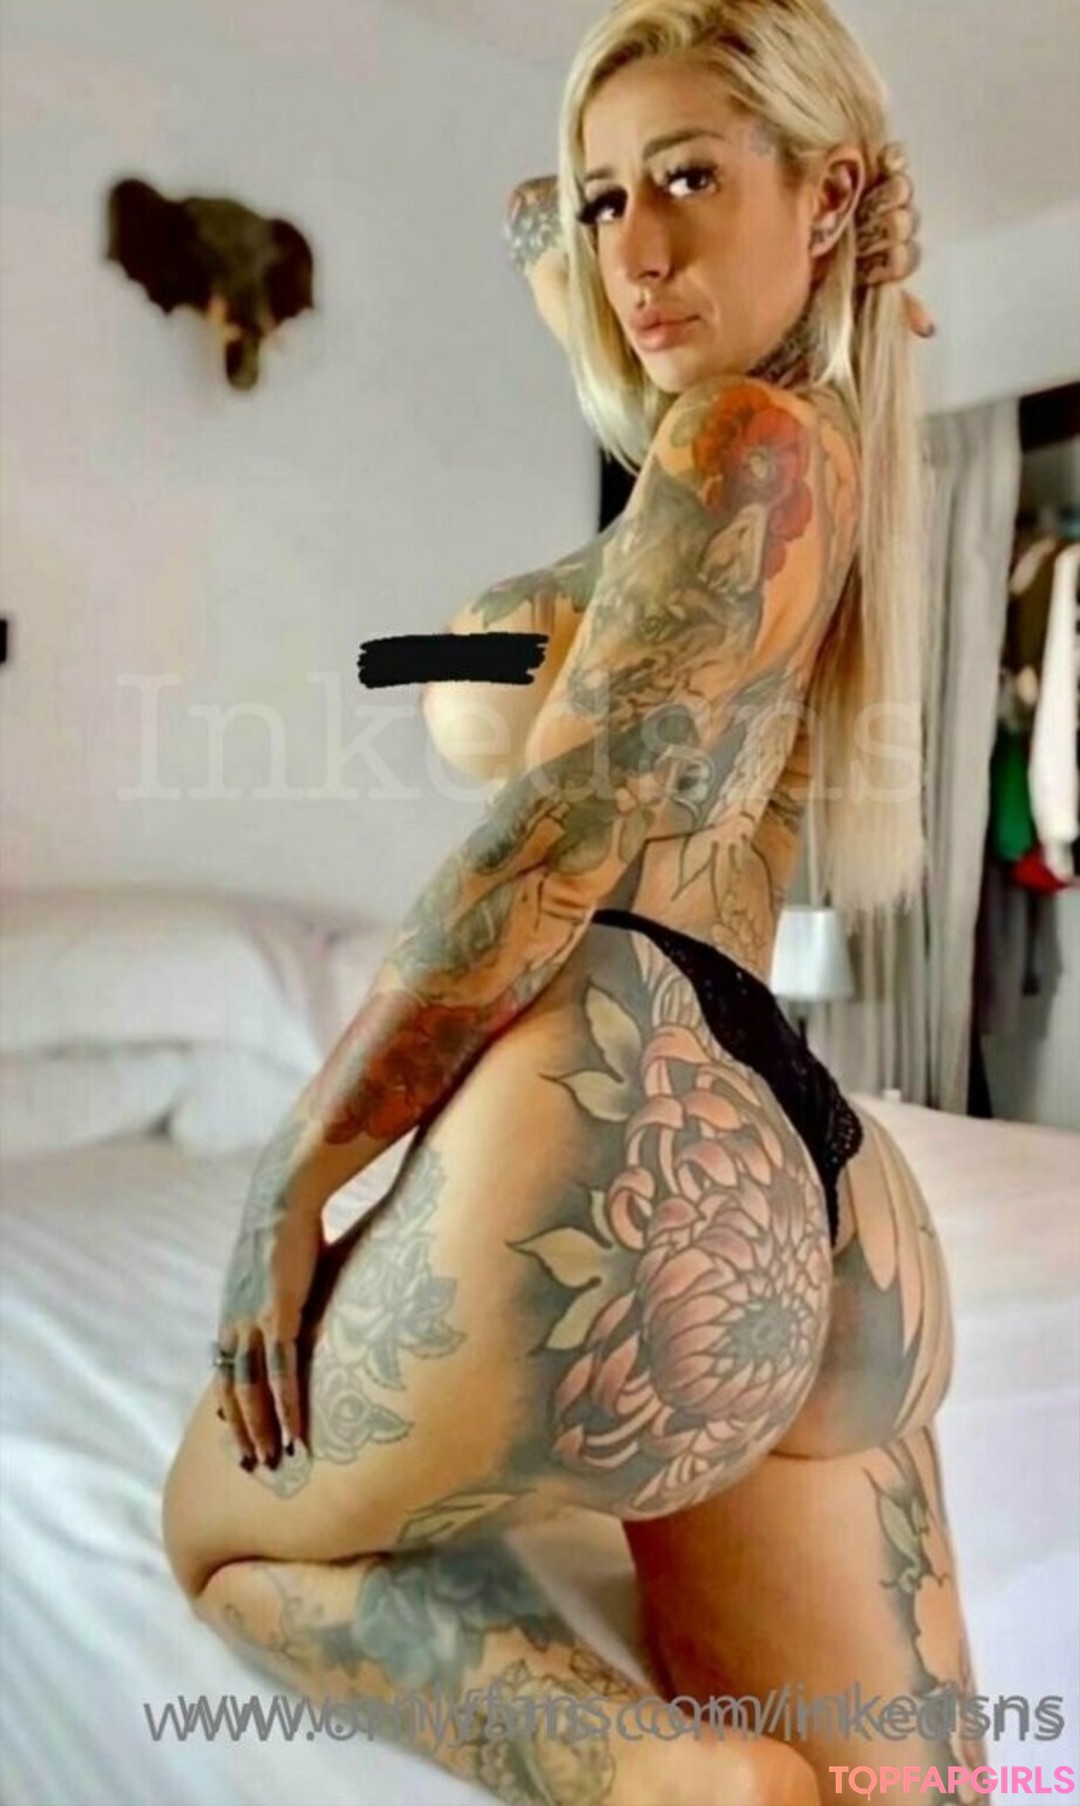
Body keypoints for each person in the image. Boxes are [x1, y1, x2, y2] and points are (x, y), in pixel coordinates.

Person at [162, 3, 986, 1801]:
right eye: (607, 199)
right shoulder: (823, 454)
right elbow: (593, 313)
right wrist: (601, 265)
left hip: (628, 1116)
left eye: (688, 178)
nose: (635, 247)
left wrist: (301, 1166)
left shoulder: (737, 446)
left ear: (828, 194)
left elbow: (550, 839)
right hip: (824, 1186)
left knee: (212, 1540)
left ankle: (664, 1777)